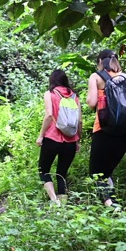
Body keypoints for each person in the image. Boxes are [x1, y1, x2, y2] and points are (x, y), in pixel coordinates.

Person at [86, 49, 126, 206]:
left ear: (100, 62)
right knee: (107, 170)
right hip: (123, 130)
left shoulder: (96, 77)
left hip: (103, 129)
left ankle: (110, 204)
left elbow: (91, 102)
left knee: (96, 172)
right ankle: (112, 201)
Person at [36, 69, 82, 205]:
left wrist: (40, 136)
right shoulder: (74, 96)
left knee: (43, 169)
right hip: (70, 141)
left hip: (52, 138)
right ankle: (63, 202)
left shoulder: (50, 94)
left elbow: (49, 115)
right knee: (62, 172)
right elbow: (79, 121)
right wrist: (77, 140)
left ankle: (54, 200)